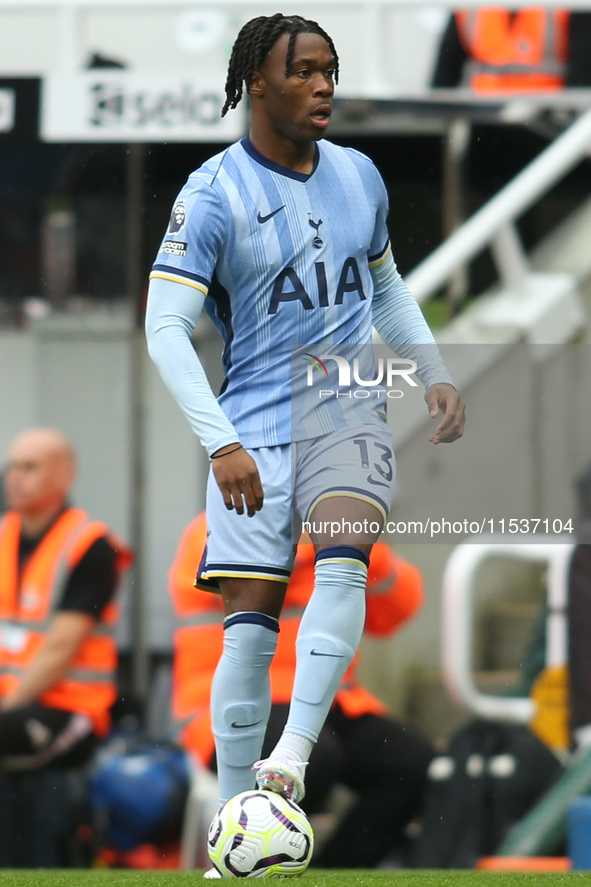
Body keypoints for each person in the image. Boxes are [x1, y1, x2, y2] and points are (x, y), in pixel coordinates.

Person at [145, 13, 465, 862]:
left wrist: (430, 370)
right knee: (248, 631)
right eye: (306, 72)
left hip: (345, 404)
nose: (326, 85)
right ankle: (231, 825)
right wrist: (220, 442)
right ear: (257, 82)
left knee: (345, 545)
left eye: (331, 69)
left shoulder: (360, 176)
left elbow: (386, 285)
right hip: (250, 426)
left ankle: (290, 758)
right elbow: (165, 328)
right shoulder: (210, 194)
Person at [170, 512, 435, 868]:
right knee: (315, 758)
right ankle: (259, 865)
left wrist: (361, 546)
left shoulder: (337, 522)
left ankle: (335, 871)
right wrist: (328, 545)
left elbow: (400, 608)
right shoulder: (215, 520)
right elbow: (255, 572)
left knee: (413, 764)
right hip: (236, 702)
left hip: (333, 700)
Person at [0, 427, 133, 769]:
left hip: (70, 706)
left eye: (30, 467)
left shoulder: (90, 545)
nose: (15, 478)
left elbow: (61, 649)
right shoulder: (4, 536)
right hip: (13, 701)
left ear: (64, 475)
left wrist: (8, 705)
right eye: (12, 467)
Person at [432, 7, 591, 91]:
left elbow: (582, 76)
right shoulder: (469, 7)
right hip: (485, 117)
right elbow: (445, 72)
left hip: (548, 121)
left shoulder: (572, 5)